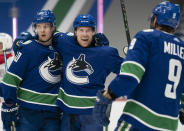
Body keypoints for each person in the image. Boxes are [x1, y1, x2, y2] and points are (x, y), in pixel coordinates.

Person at [93, 1, 183, 131]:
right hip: (169, 125)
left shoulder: (146, 37)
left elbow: (130, 76)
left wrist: (108, 95)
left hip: (139, 119)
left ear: (155, 19)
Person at [51, 14, 123, 131]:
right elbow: (48, 34)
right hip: (68, 113)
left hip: (92, 114)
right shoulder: (64, 42)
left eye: (88, 30)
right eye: (81, 30)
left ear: (93, 32)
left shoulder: (106, 53)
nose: (84, 34)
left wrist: (133, 57)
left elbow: (128, 73)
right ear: (75, 32)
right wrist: (26, 41)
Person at [0, 10, 62, 131]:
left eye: (46, 26)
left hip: (53, 114)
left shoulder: (62, 48)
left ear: (53, 27)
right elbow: (10, 80)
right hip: (27, 114)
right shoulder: (27, 48)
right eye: (39, 26)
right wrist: (9, 103)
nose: (42, 30)